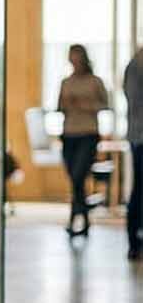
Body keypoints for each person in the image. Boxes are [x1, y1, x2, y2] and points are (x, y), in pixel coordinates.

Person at [57, 43, 109, 239]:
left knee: (79, 176)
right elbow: (59, 107)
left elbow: (105, 104)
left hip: (87, 134)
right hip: (69, 134)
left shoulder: (95, 82)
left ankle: (76, 218)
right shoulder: (66, 83)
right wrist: (68, 104)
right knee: (74, 178)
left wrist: (85, 105)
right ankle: (83, 219)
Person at [124, 46, 143, 260]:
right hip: (140, 138)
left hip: (138, 136)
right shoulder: (138, 63)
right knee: (139, 190)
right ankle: (134, 241)